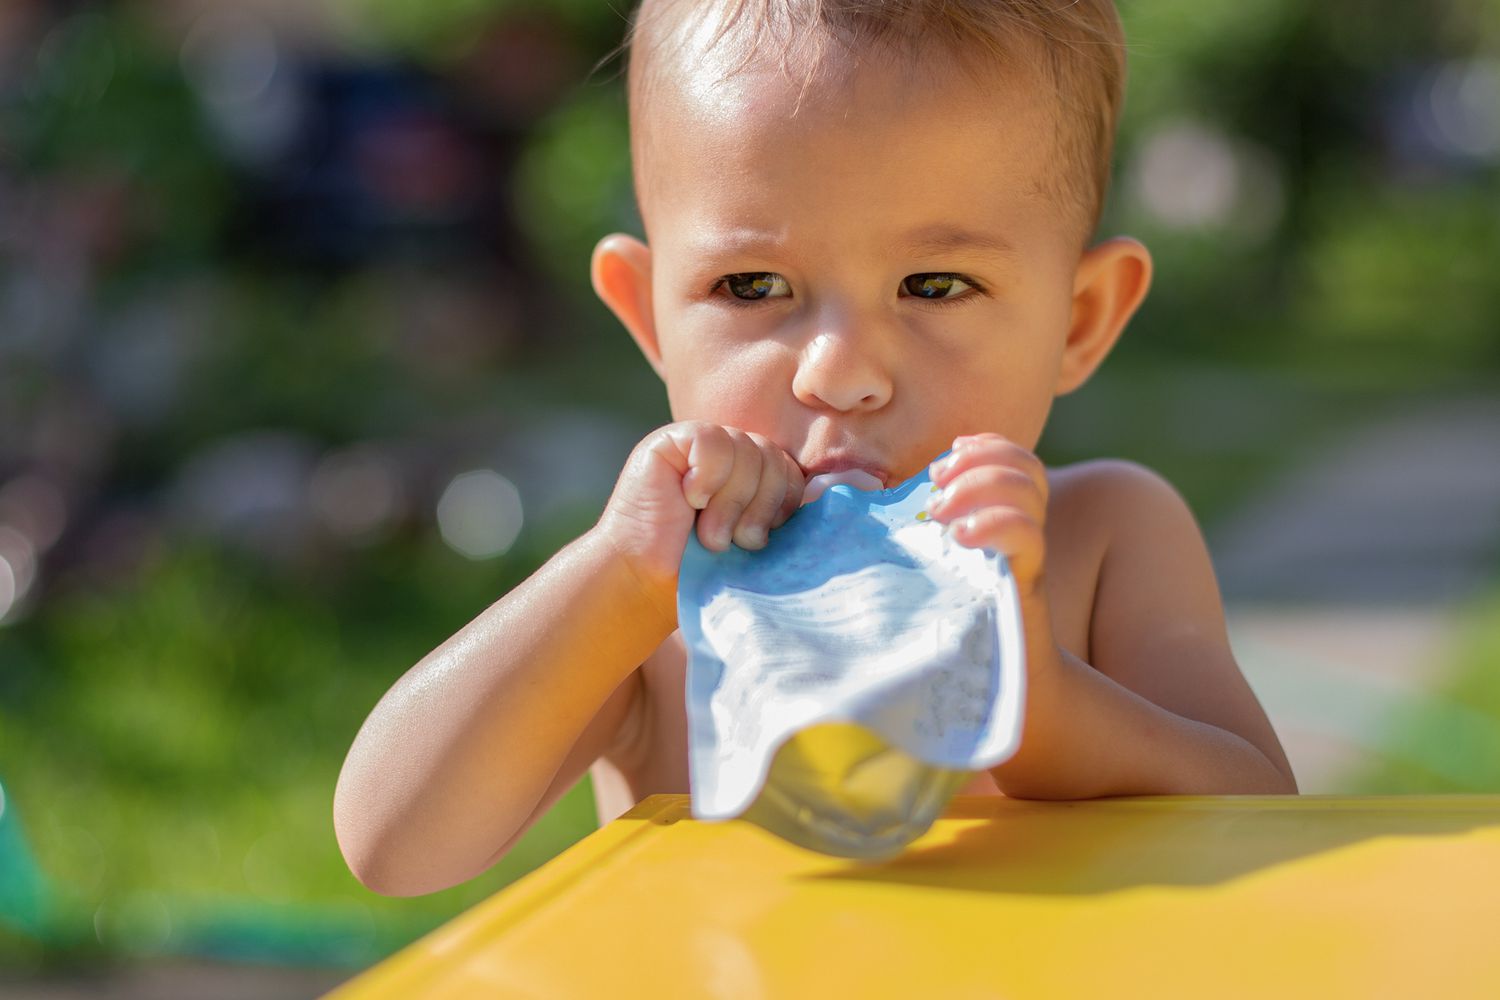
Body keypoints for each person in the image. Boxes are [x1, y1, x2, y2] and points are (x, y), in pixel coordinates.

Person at [334, 0, 1298, 897]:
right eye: (753, 286)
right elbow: (395, 847)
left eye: (934, 285)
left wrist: (1034, 702)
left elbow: (1266, 813)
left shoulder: (1104, 541)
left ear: (1079, 319)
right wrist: (619, 579)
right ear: (649, 314)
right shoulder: (663, 602)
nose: (839, 374)